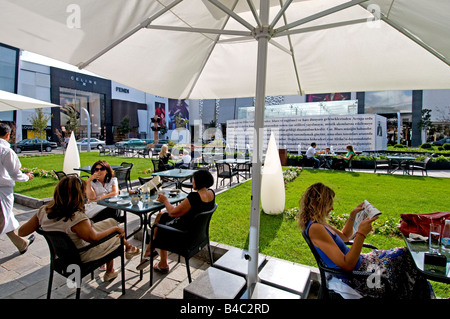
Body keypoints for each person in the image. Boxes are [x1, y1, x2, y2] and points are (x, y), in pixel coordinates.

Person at [298, 182, 434, 299]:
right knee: (405, 261)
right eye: (329, 204)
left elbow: (344, 237)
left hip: (362, 264)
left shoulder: (319, 223)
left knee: (405, 255)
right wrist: (361, 234)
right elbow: (347, 265)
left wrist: (353, 215)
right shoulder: (316, 228)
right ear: (319, 204)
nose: (332, 208)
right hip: (358, 277)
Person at [18, 175, 140, 281]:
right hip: (82, 254)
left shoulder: (43, 211)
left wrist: (47, 224)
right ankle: (112, 268)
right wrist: (115, 230)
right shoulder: (76, 218)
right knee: (116, 233)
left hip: (63, 254)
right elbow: (94, 239)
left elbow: (22, 232)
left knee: (111, 222)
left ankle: (121, 257)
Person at [136, 170, 215, 272]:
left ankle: (154, 255)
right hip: (197, 235)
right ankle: (153, 255)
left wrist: (165, 201)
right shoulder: (211, 194)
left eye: (193, 180)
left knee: (159, 225)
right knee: (161, 215)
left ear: (198, 182)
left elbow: (173, 213)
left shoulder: (194, 196)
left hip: (183, 236)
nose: (192, 182)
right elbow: (186, 211)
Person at [0, 123, 35, 254]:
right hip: (2, 191)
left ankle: (21, 243)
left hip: (3, 191)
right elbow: (14, 174)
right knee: (3, 218)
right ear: (8, 135)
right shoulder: (5, 151)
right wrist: (26, 177)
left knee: (6, 218)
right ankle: (21, 243)